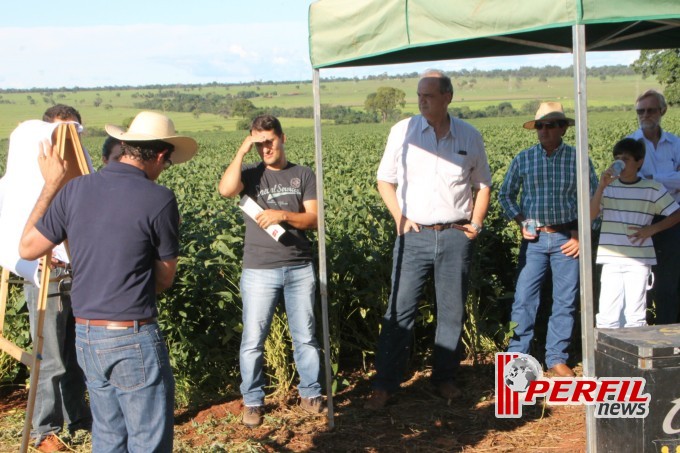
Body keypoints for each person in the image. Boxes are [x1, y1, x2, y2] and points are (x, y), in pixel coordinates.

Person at [19, 111, 197, 452]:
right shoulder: (159, 199)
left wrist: (50, 185)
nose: (165, 169)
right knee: (148, 440)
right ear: (159, 155)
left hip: (87, 336)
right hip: (132, 334)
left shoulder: (74, 190)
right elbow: (165, 278)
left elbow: (27, 247)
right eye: (168, 162)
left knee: (108, 436)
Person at [365, 69, 492, 410]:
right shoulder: (403, 131)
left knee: (451, 311)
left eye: (429, 95)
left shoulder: (469, 135)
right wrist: (400, 218)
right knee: (399, 310)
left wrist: (475, 225)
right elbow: (384, 180)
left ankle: (444, 378)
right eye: (420, 95)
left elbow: (483, 185)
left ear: (447, 97)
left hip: (454, 235)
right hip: (414, 235)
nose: (422, 100)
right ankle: (385, 384)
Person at [218, 114, 325, 428]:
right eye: (259, 144)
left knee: (305, 336)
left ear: (283, 138)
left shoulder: (303, 174)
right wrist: (241, 151)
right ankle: (252, 401)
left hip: (299, 266)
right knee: (253, 339)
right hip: (258, 270)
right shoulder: (250, 175)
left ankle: (311, 393)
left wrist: (283, 215)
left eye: (270, 141)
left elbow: (314, 219)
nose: (265, 149)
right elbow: (226, 190)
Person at [498, 101, 598, 377]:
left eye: (550, 125)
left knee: (565, 301)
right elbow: (505, 195)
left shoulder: (579, 160)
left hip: (568, 239)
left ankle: (556, 357)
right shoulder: (524, 159)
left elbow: (592, 200)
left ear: (563, 128)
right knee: (523, 299)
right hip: (535, 241)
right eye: (539, 126)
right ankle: (517, 358)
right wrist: (520, 222)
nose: (543, 130)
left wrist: (580, 234)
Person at [24, 104, 92, 452]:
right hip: (45, 278)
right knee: (50, 358)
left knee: (77, 352)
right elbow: (17, 234)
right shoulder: (29, 179)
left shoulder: (83, 176)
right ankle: (45, 430)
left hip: (76, 273)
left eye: (74, 133)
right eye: (62, 133)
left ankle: (79, 420)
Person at [591, 138, 680, 329]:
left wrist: (652, 229)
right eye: (617, 158)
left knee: (635, 315)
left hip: (639, 260)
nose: (620, 163)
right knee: (607, 314)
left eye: (626, 159)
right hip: (611, 258)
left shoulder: (652, 188)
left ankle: (635, 358)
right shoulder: (608, 188)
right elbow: (590, 215)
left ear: (639, 161)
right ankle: (607, 357)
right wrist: (601, 186)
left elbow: (676, 213)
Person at [627, 89, 680, 324]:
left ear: (662, 111)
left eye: (650, 110)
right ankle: (643, 336)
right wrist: (671, 177)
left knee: (670, 283)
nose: (645, 115)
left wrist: (651, 178)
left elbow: (646, 181)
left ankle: (668, 335)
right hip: (641, 221)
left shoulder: (676, 143)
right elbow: (631, 182)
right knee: (639, 284)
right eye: (641, 111)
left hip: (672, 220)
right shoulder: (630, 145)